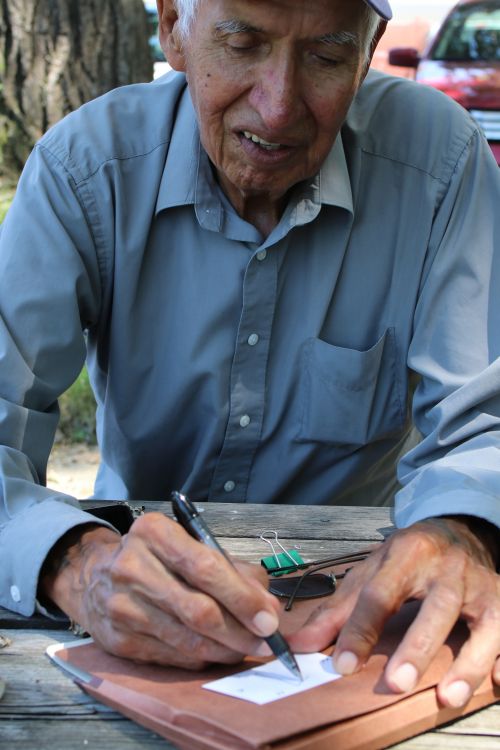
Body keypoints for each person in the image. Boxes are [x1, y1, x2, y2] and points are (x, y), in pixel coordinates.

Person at [0, 0, 499, 712]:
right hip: (143, 594)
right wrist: (77, 564)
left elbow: (485, 425)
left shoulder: (440, 166)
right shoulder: (86, 170)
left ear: (370, 48)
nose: (277, 107)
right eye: (241, 43)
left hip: (357, 619)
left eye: (326, 56)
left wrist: (463, 533)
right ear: (174, 27)